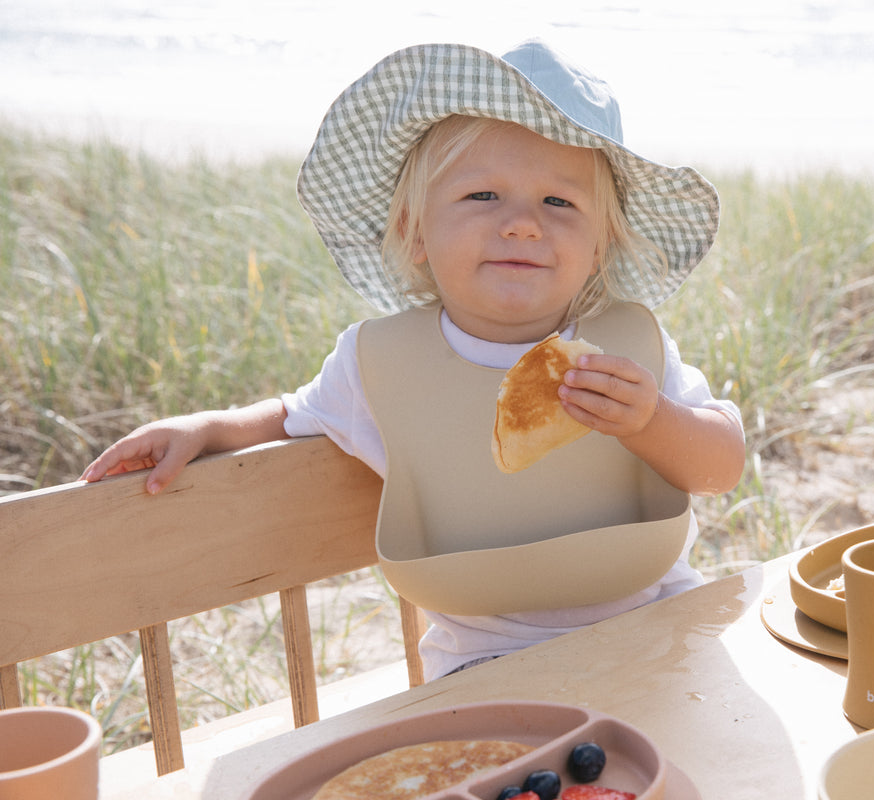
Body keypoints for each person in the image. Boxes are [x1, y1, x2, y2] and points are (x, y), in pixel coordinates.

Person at [82, 39, 745, 679]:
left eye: (559, 202)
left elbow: (721, 466)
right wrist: (206, 428)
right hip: (483, 666)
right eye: (482, 195)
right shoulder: (379, 361)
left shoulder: (630, 346)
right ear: (414, 230)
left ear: (600, 245)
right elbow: (292, 416)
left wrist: (652, 419)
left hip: (658, 632)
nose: (521, 222)